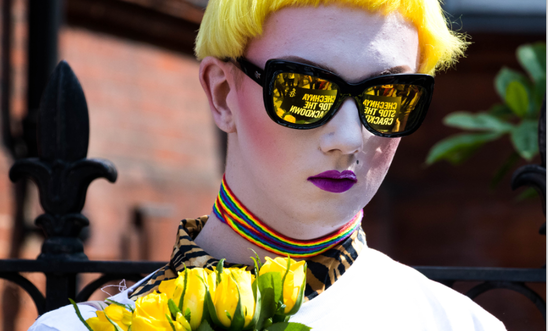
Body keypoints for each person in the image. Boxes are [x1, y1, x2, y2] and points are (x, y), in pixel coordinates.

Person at [30, 0, 507, 330]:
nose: (347, 138)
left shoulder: (460, 325)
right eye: (303, 90)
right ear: (222, 93)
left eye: (388, 97)